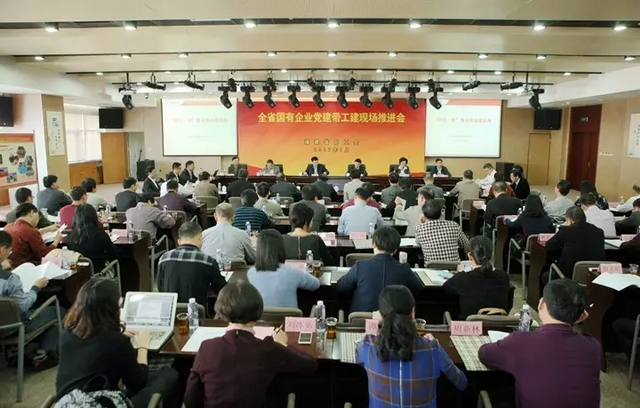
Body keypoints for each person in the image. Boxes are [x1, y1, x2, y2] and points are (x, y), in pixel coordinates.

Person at [183, 281, 318, 408]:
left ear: (222, 310)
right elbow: (310, 365)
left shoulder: (207, 348)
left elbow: (190, 399)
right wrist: (283, 344)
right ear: (258, 310)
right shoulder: (268, 348)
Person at [55, 278, 178, 407]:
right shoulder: (117, 342)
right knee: (169, 374)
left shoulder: (66, 334)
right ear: (112, 309)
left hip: (67, 403)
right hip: (99, 403)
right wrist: (143, 347)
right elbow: (138, 383)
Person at [478, 279, 600, 408]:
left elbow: (484, 354)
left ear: (541, 304)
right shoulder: (593, 346)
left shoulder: (521, 342)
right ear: (581, 316)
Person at [356, 285, 467, 407]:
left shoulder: (367, 345)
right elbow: (461, 382)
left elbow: (358, 357)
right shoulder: (433, 348)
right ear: (413, 312)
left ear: (381, 315)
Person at [0, 230, 63, 368]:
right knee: (59, 309)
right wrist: (36, 287)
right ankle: (42, 355)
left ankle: (15, 352)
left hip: (3, 323)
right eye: (9, 251)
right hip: (14, 326)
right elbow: (23, 306)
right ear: (2, 250)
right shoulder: (10, 279)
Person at [337, 227, 423, 313]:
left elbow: (341, 287)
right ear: (396, 249)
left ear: (374, 244)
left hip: (361, 319)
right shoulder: (404, 269)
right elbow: (417, 288)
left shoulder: (360, 266)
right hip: (393, 319)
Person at [158, 222, 226, 309]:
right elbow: (222, 289)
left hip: (170, 312)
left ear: (179, 241)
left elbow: (161, 287)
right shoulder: (208, 261)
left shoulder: (164, 258)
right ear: (200, 238)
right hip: (197, 313)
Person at [247, 229, 320, 308]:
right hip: (290, 316)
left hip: (260, 316)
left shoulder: (250, 273)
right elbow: (316, 284)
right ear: (281, 248)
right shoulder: (292, 272)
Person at [443, 237, 510, 319]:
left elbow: (445, 288)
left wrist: (460, 273)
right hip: (497, 325)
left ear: (470, 256)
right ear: (492, 254)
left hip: (468, 326)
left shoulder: (462, 278)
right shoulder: (504, 277)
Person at [545, 207, 605, 279]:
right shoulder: (599, 232)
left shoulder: (566, 231)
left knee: (545, 276)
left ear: (570, 219)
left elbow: (549, 246)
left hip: (568, 277)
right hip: (594, 277)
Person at [67, 204, 118, 272]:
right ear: (94, 217)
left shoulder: (71, 236)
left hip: (79, 273)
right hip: (100, 272)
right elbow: (113, 254)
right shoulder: (100, 235)